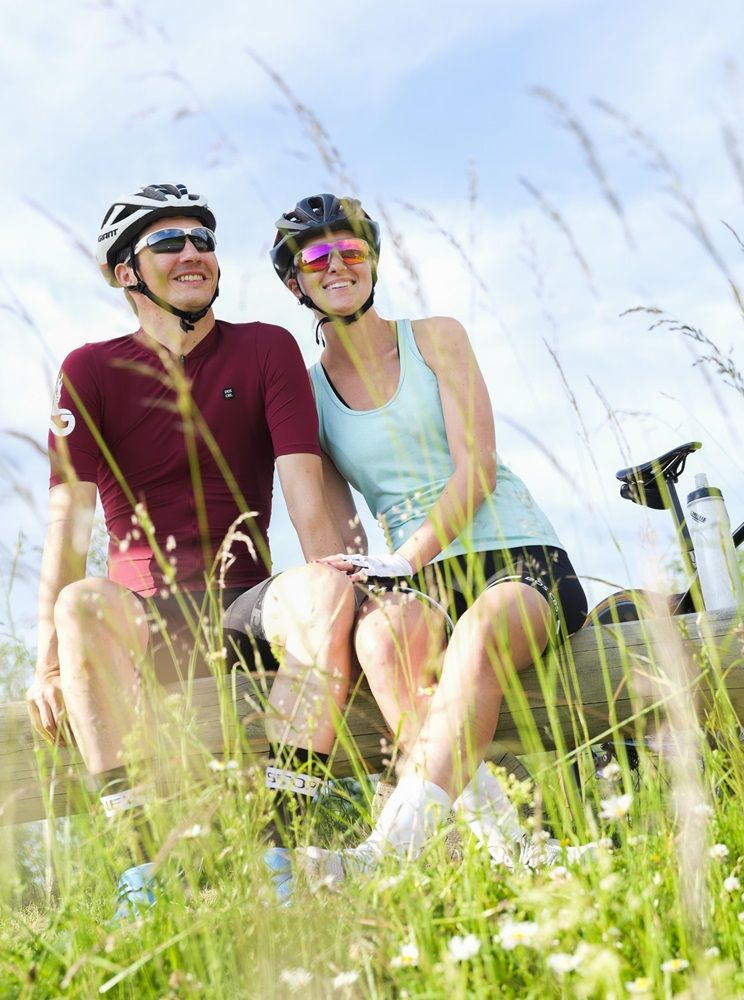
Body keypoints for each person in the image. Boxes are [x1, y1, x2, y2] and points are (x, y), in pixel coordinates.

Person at [27, 183, 355, 918]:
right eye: (169, 242)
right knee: (82, 603)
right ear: (125, 272)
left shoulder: (265, 347)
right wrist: (47, 660)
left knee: (327, 586)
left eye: (203, 240)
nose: (194, 254)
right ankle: (140, 871)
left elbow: (307, 501)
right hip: (141, 613)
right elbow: (67, 528)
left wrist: (341, 604)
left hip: (245, 603)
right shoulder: (88, 370)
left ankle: (281, 852)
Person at [267, 194, 592, 881]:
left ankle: (388, 851)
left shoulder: (436, 336)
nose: (337, 265)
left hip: (515, 554)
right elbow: (334, 529)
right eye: (317, 257)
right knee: (383, 640)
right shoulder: (309, 393)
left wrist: (403, 560)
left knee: (479, 635)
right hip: (413, 579)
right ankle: (529, 852)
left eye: (352, 250)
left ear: (374, 262)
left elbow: (478, 468)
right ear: (295, 282)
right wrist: (350, 602)